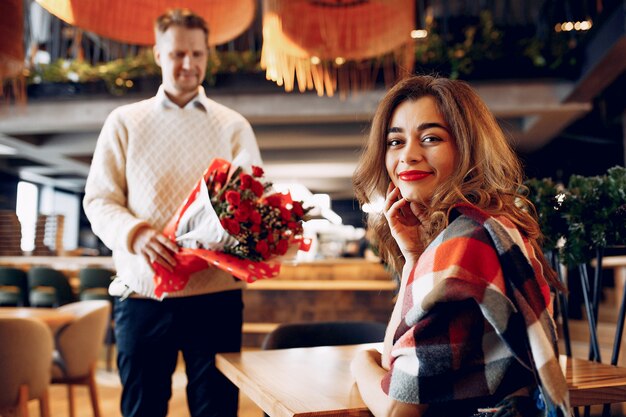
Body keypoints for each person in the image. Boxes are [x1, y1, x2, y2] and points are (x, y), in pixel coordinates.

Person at [350, 75, 570, 417]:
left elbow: (397, 409)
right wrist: (413, 259)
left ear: (468, 147)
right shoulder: (497, 227)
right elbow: (398, 363)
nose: (408, 155)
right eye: (395, 142)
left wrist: (359, 364)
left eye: (431, 138)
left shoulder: (463, 244)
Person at [83, 8, 262, 417]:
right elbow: (98, 199)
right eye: (178, 53)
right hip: (144, 293)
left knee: (215, 409)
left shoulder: (233, 126)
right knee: (142, 408)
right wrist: (136, 233)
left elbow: (252, 205)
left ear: (207, 55)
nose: (189, 63)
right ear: (158, 54)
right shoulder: (124, 121)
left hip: (216, 294)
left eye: (197, 54)